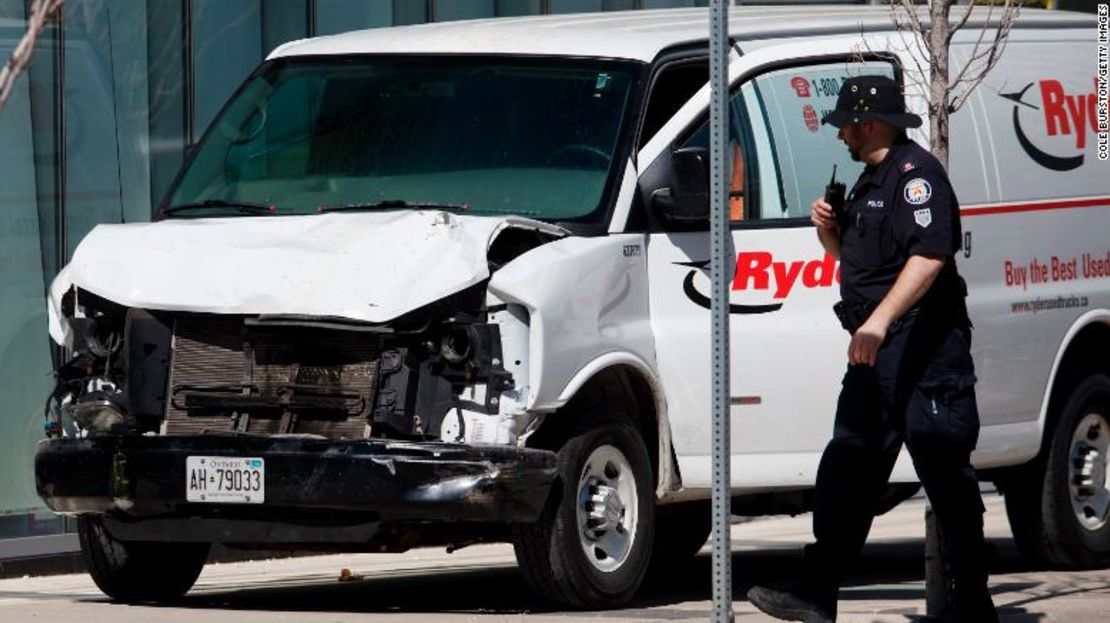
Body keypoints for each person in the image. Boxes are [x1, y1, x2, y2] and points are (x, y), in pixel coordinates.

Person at [745, 75, 998, 622]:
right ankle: (817, 592)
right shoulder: (868, 181)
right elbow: (858, 262)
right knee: (846, 472)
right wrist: (828, 233)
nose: (841, 137)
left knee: (946, 475)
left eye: (846, 127)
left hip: (923, 350)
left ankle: (973, 606)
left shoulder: (916, 178)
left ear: (869, 122)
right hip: (875, 352)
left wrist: (879, 322)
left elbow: (929, 257)